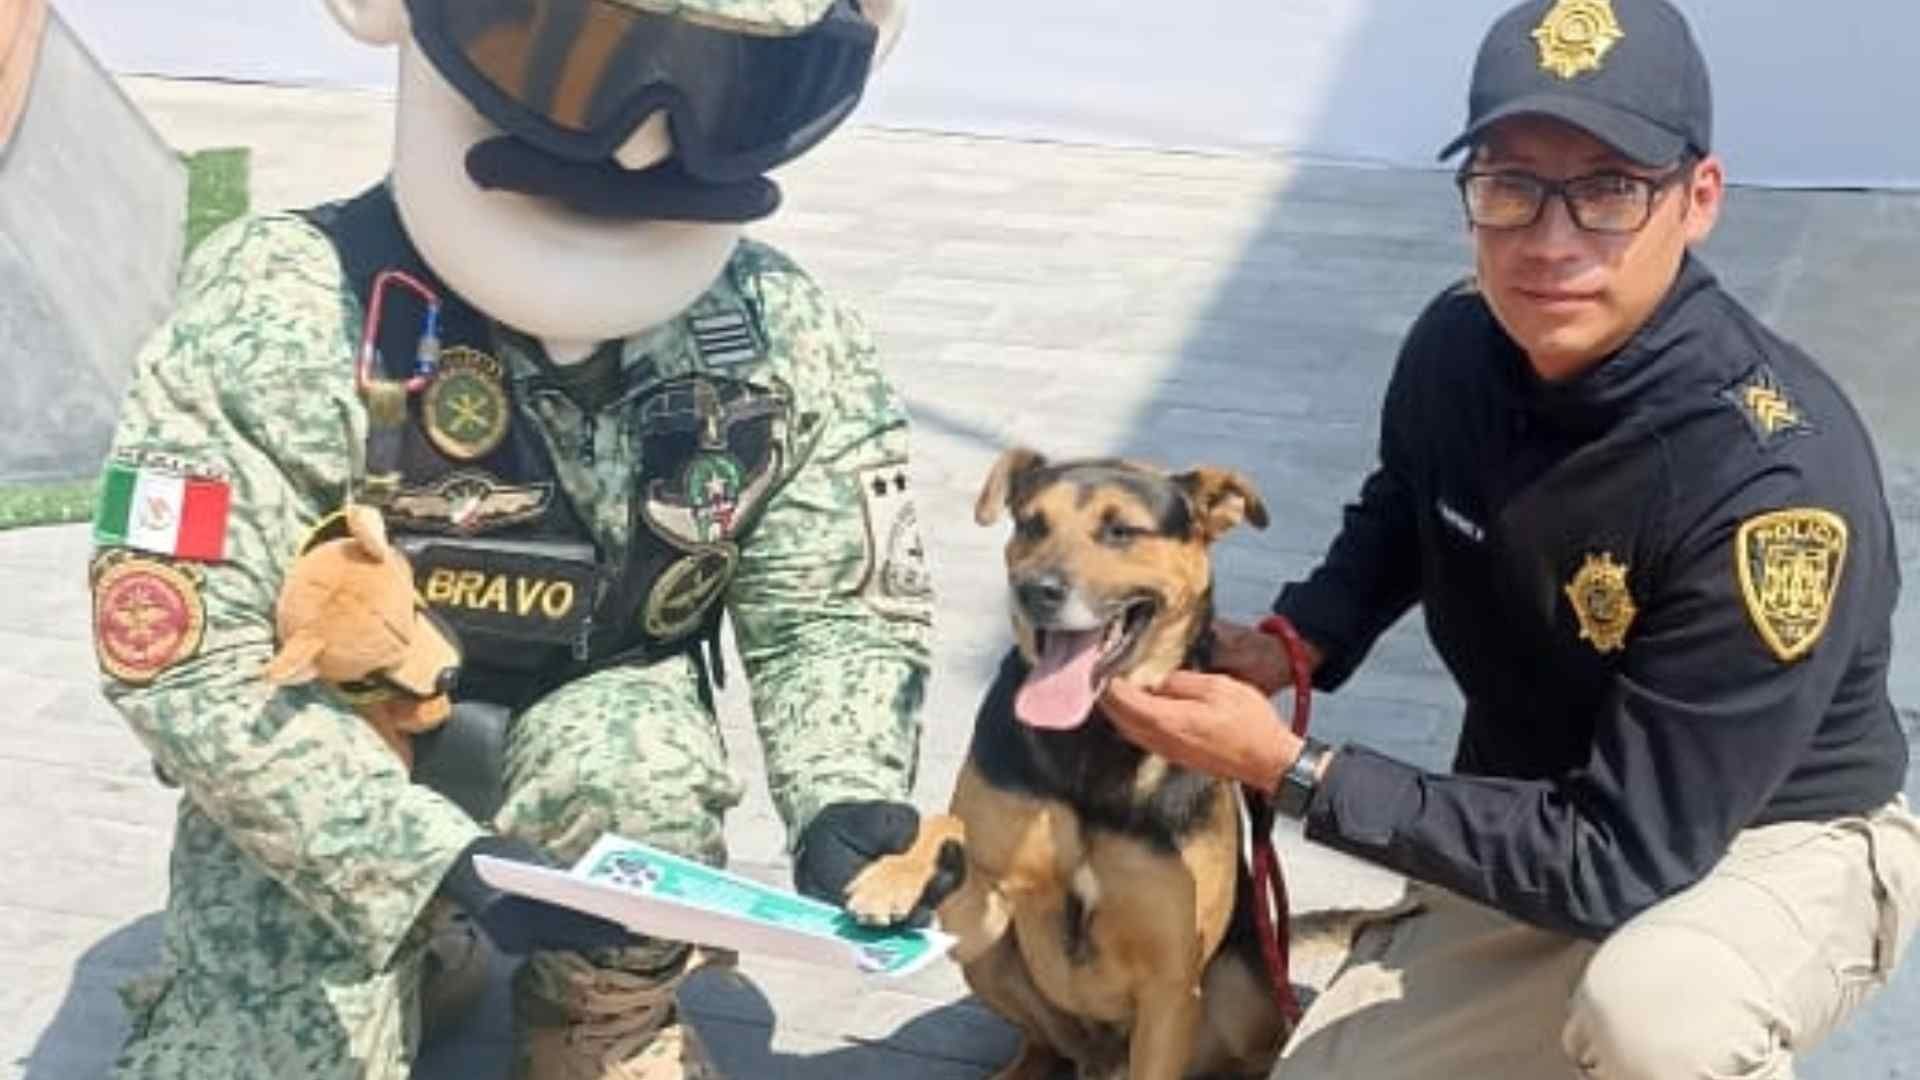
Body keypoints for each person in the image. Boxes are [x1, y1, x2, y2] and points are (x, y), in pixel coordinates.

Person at [86, 1, 940, 1077]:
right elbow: (190, 665)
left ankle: (600, 1013)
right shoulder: (289, 304)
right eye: (569, 61)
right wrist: (426, 861)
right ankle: (409, 941)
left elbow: (830, 603)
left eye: (726, 84)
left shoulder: (775, 334)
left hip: (598, 711)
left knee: (646, 765)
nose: (640, 142)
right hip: (343, 749)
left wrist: (843, 790)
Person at [1102, 0, 1920, 1076]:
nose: (1550, 241)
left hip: (1770, 839)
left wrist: (1294, 770)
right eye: (1510, 186)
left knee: (1655, 1023)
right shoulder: (1458, 346)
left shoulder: (1768, 488)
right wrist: (1295, 641)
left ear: (1700, 199)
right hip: (1538, 813)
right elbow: (1408, 506)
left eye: (1609, 191)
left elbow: (1626, 856)